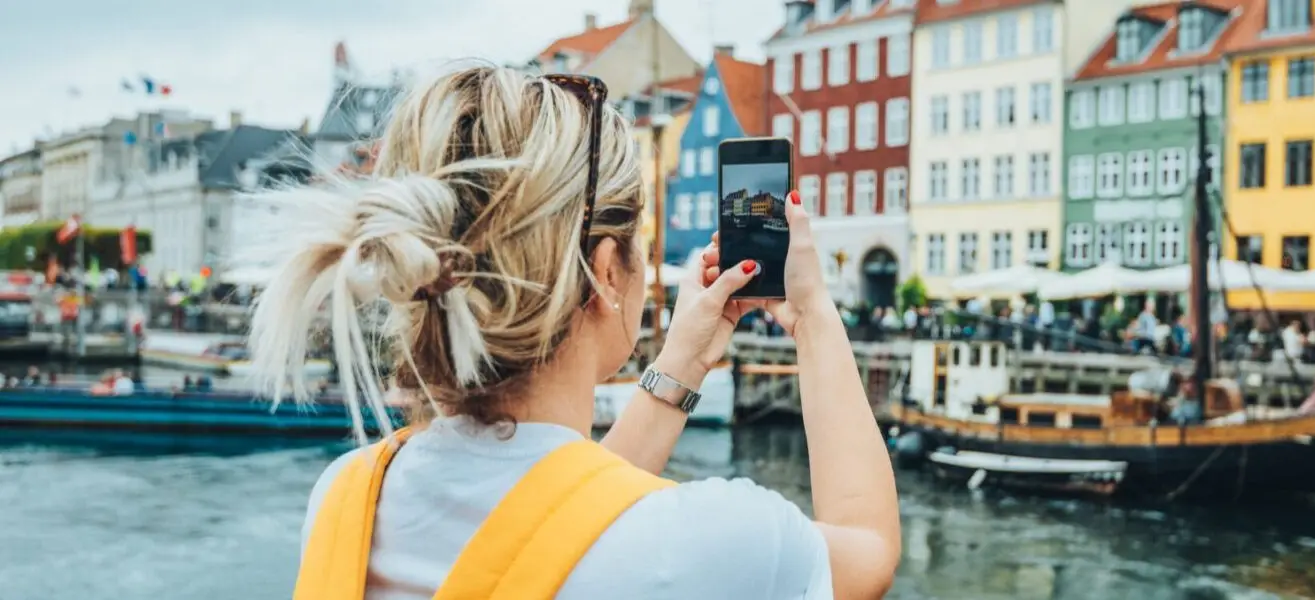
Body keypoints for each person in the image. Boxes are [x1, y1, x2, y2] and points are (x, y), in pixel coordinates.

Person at [248, 68, 899, 599]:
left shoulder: (348, 498)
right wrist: (813, 316)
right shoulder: (707, 544)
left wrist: (687, 358)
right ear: (609, 269)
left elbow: (560, 526)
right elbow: (868, 552)